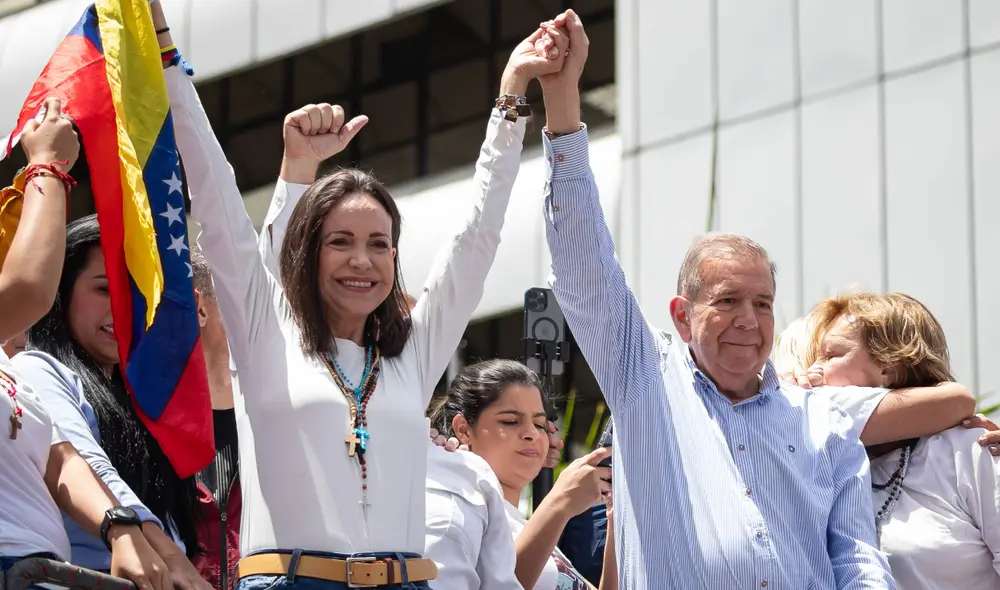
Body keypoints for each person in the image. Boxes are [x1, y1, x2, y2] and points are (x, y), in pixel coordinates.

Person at [174, 7, 569, 586]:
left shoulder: (412, 355)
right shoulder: (265, 338)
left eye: (379, 244)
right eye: (340, 242)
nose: (362, 260)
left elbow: (478, 236)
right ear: (308, 254)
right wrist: (164, 60)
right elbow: (213, 193)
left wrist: (512, 97)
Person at [539, 10, 899, 589]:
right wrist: (562, 106)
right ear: (681, 316)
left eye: (763, 303)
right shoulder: (644, 379)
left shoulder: (823, 423)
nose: (748, 321)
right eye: (728, 301)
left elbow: (856, 557)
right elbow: (586, 266)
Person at [0, 97, 170, 590]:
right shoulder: (38, 363)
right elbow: (29, 288)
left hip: (45, 574)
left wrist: (121, 529)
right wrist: (47, 168)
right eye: (104, 290)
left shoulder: (12, 377)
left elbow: (62, 461)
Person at [14, 215, 209, 590]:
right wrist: (169, 557)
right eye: (105, 290)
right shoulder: (34, 369)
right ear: (61, 292)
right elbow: (83, 462)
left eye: (137, 295)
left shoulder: (143, 397)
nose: (122, 309)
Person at [792, 292, 1000, 589]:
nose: (814, 372)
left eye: (831, 355)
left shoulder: (971, 451)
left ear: (888, 368)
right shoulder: (822, 466)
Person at [428, 359, 616, 590]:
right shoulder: (457, 512)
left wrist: (614, 516)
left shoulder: (530, 530)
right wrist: (559, 504)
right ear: (464, 429)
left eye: (539, 424)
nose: (531, 434)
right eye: (510, 421)